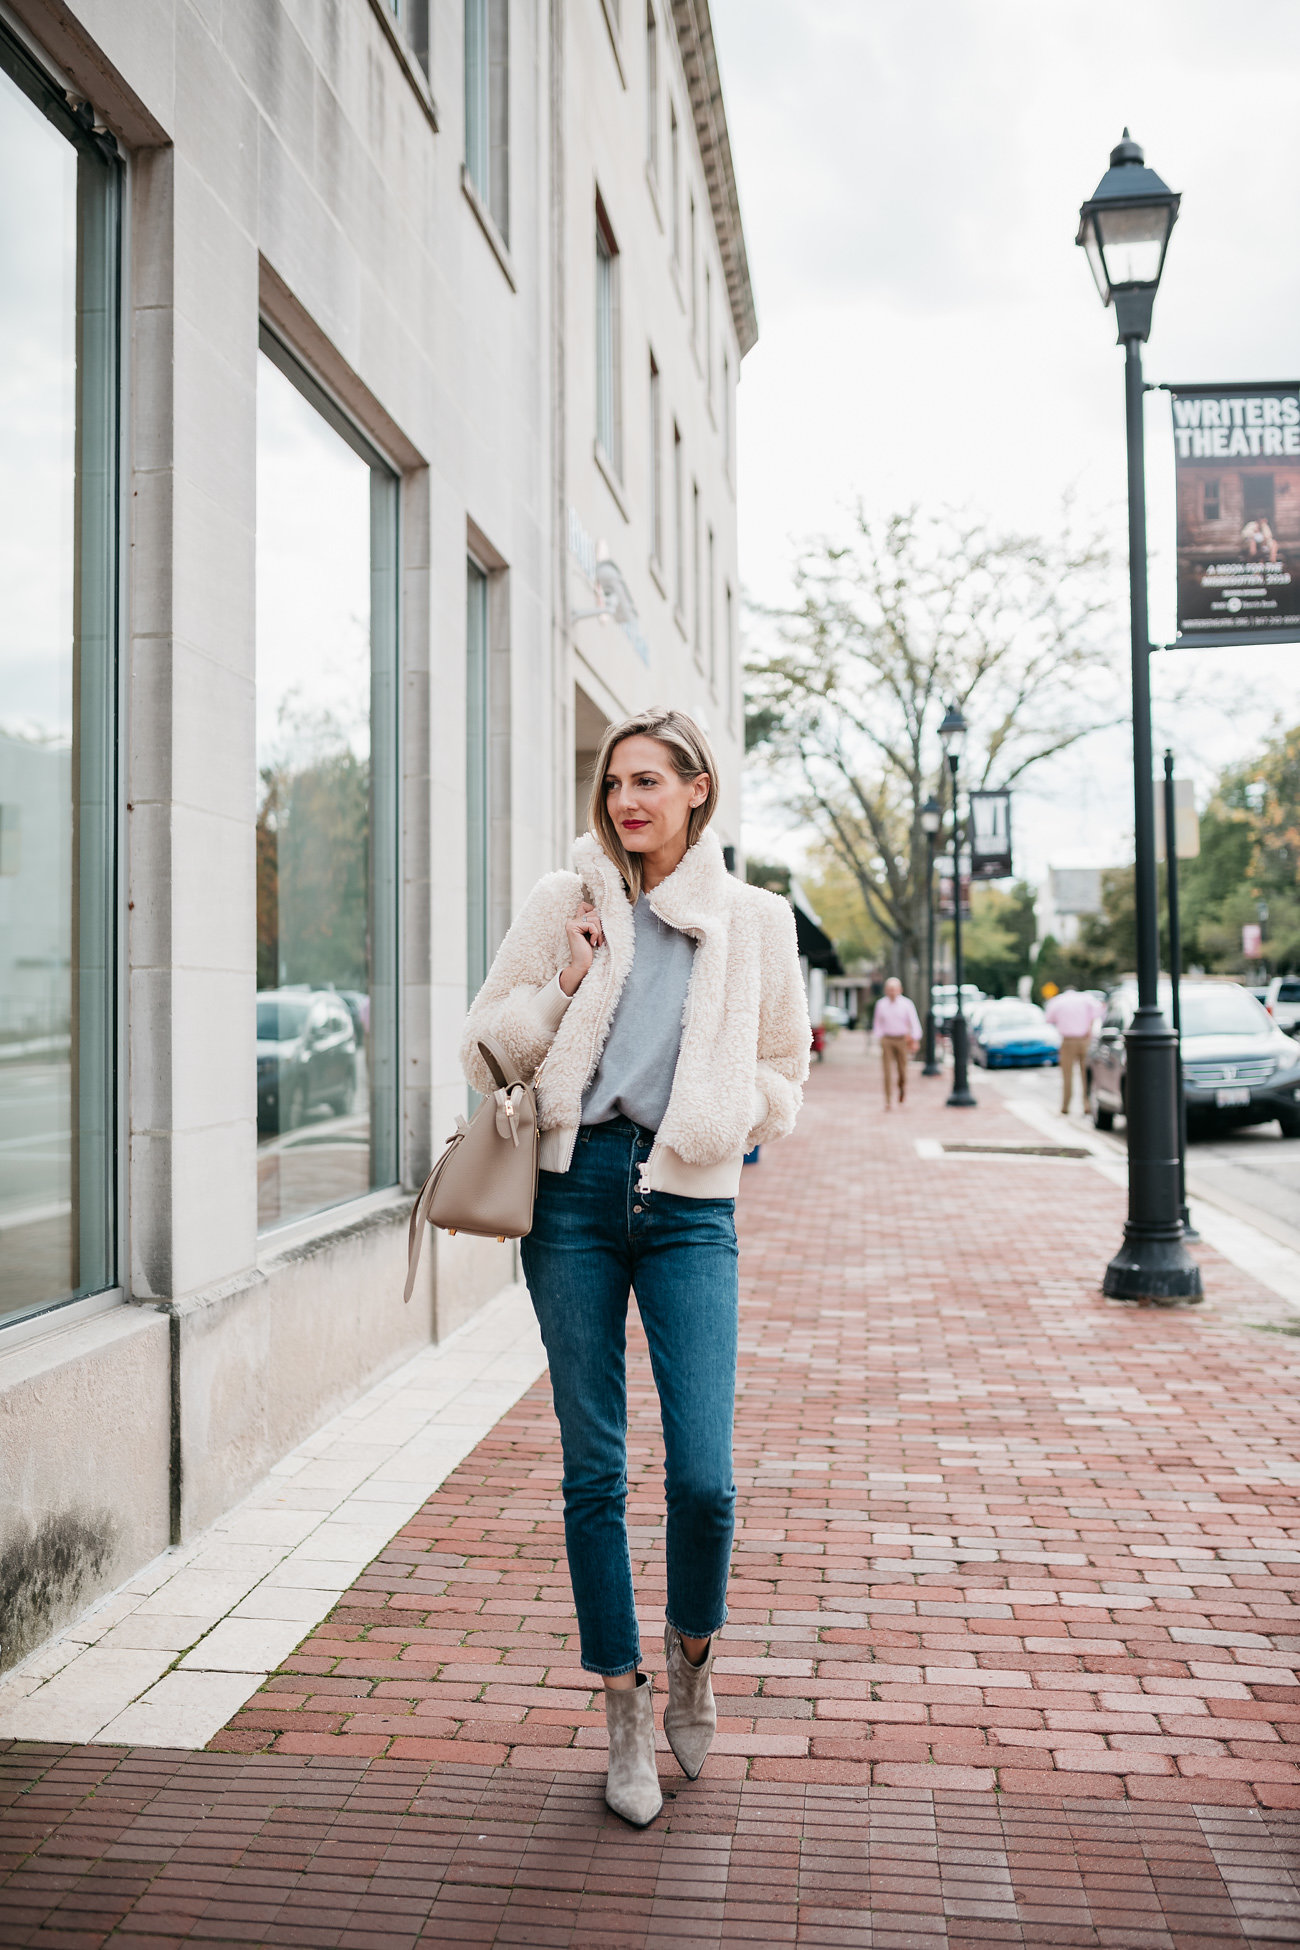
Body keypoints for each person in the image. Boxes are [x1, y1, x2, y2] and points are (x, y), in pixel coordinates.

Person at [460, 708, 809, 1828]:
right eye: (614, 782)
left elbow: (783, 1071)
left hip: (688, 1207)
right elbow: (486, 1046)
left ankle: (691, 1653)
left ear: (698, 791)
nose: (626, 802)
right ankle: (620, 1703)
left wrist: (721, 1112)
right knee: (592, 1473)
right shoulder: (561, 904)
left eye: (649, 781)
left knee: (705, 1478)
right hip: (569, 1198)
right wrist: (562, 982)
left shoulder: (752, 921)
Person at [1045, 984, 1102, 1115]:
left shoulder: (1058, 1001)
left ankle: (1065, 1106)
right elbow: (1098, 1012)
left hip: (1068, 1040)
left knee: (1067, 1075)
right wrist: (1089, 1026)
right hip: (1085, 1040)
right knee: (1086, 1074)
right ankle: (1087, 1104)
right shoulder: (1086, 998)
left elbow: (1049, 1018)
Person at [871, 976, 922, 1109]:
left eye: (894, 989)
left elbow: (914, 1023)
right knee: (887, 1070)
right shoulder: (881, 1004)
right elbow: (877, 1023)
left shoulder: (907, 1004)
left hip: (902, 1039)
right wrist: (880, 1036)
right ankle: (888, 1099)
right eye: (889, 989)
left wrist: (915, 1039)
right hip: (887, 1039)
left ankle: (902, 1088)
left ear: (900, 990)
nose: (892, 992)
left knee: (902, 1070)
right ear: (886, 990)